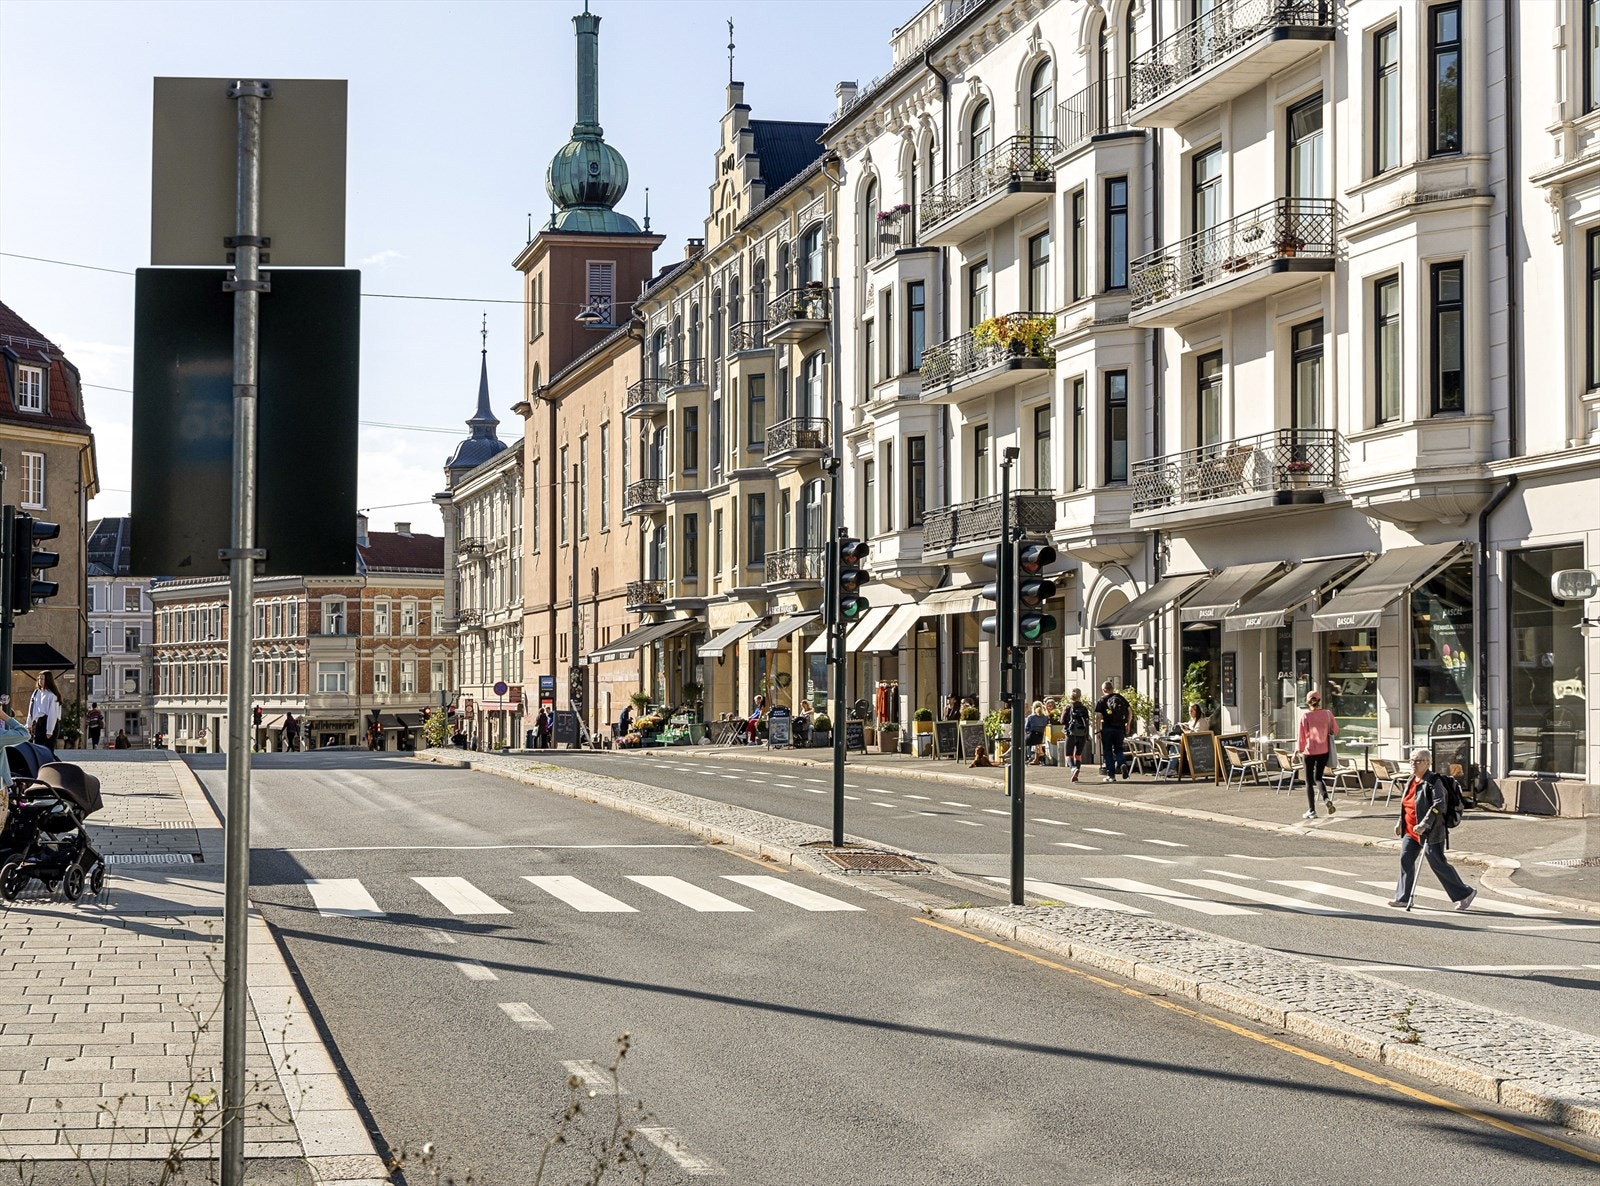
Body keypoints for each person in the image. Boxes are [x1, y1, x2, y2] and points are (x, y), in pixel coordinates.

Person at [1388, 748, 1475, 911]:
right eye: (1411, 761)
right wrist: (1400, 822)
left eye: (1417, 761)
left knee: (1437, 863)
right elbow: (1407, 804)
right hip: (1411, 830)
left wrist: (1425, 823)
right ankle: (1403, 897)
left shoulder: (1434, 781)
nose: (1413, 764)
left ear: (1427, 763)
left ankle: (1465, 893)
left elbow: (1439, 804)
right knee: (1405, 860)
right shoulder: (1411, 780)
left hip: (1431, 831)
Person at [1296, 690, 1338, 820]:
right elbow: (1335, 730)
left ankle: (1312, 810)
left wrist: (1299, 750)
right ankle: (1326, 799)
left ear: (1307, 702)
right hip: (1324, 751)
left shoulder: (1306, 716)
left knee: (1309, 781)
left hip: (1309, 752)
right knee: (1319, 778)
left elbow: (1301, 736)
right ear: (1319, 700)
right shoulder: (1327, 714)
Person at [1159, 703, 1211, 777]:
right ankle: (1170, 767)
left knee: (1176, 747)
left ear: (1197, 711)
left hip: (1199, 745)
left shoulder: (1201, 721)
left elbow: (1196, 735)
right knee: (1173, 747)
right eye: (1189, 711)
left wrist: (1185, 730)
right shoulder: (1192, 720)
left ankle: (1172, 768)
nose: (1190, 713)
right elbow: (1189, 728)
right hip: (1190, 743)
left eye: (1191, 711)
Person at [1094, 680, 1131, 781]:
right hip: (1120, 728)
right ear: (1112, 689)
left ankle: (1111, 775)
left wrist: (1097, 731)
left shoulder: (1102, 700)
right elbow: (1130, 711)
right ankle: (1122, 763)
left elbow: (1098, 716)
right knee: (1118, 749)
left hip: (1107, 729)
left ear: (1103, 690)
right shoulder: (1120, 698)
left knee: (1108, 751)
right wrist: (1128, 724)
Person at [26, 672, 62, 752]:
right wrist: (29, 723)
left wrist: (49, 730)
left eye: (42, 679)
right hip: (39, 722)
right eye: (39, 679)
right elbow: (31, 709)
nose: (40, 681)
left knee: (48, 750)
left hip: (49, 722)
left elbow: (53, 714)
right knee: (37, 749)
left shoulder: (52, 695)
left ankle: (53, 763)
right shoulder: (36, 693)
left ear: (48, 680)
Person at [1062, 689, 1092, 782]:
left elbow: (1062, 721)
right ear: (1080, 696)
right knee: (1078, 754)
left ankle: (1073, 769)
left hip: (1071, 734)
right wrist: (1087, 735)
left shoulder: (1068, 707)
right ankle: (1077, 772)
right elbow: (1087, 722)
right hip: (1082, 734)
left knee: (1068, 754)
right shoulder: (1084, 708)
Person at [1024, 700, 1050, 766]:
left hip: (1032, 736)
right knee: (1037, 743)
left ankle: (1029, 757)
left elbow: (1026, 727)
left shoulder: (1030, 717)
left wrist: (1027, 732)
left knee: (1022, 742)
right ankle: (1035, 758)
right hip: (1041, 736)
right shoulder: (1045, 717)